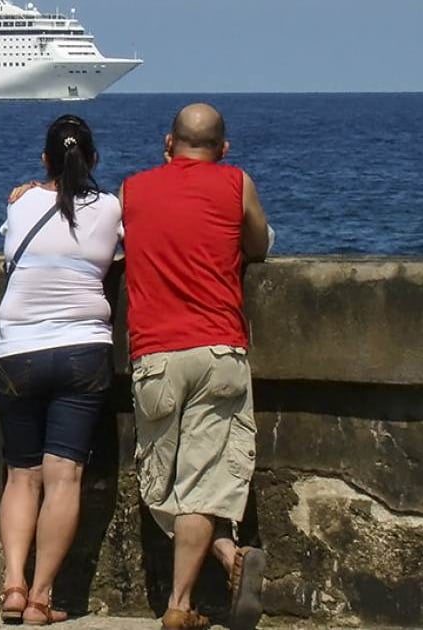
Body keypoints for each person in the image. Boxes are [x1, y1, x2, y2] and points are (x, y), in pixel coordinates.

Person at [121, 103, 273, 630]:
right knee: (203, 484)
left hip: (155, 354)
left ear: (168, 143)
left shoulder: (132, 190)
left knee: (163, 485)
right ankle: (216, 565)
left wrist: (38, 190)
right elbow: (258, 244)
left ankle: (186, 597)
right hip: (218, 352)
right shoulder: (236, 183)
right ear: (223, 148)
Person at [0, 115, 123, 626]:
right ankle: (42, 599)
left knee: (21, 476)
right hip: (82, 350)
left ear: (45, 159)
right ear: (92, 160)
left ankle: (12, 586)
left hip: (17, 350)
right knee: (63, 476)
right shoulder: (111, 207)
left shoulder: (21, 202)